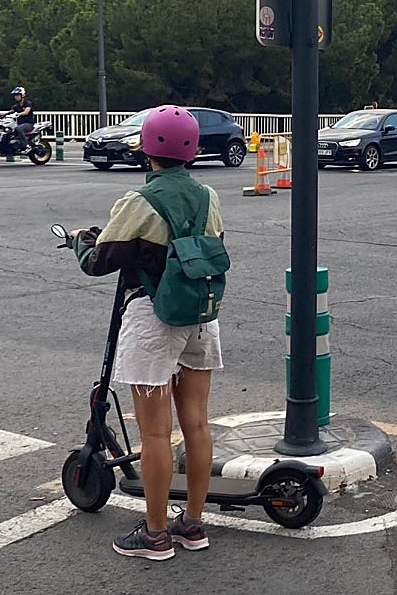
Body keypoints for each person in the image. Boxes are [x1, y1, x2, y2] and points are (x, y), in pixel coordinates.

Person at [72, 105, 225, 560]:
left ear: (146, 148)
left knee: (155, 434)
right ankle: (192, 524)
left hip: (153, 320)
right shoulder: (209, 196)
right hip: (201, 316)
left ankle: (155, 534)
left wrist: (80, 240)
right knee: (197, 423)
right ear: (192, 150)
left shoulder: (138, 201)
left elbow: (99, 261)